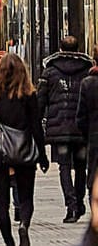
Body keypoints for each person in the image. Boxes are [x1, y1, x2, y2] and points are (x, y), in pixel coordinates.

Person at [0, 51, 47, 246]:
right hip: (24, 152)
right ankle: (24, 224)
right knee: (26, 196)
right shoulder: (28, 95)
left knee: (2, 201)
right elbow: (36, 126)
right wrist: (42, 156)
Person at [40, 34, 93, 223]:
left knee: (64, 167)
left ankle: (70, 205)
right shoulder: (87, 71)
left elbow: (41, 100)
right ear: (78, 49)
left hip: (59, 128)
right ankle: (78, 203)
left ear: (61, 49)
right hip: (81, 129)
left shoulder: (50, 72)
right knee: (80, 167)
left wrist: (38, 125)